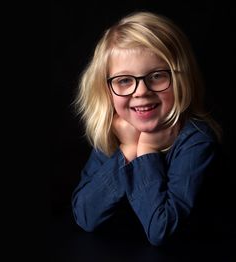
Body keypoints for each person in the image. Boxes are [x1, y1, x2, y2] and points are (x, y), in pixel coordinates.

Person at [71, 11, 222, 246]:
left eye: (157, 76)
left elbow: (161, 230)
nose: (141, 91)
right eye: (124, 80)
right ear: (107, 89)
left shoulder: (197, 140)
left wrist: (146, 149)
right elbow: (85, 216)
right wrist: (128, 149)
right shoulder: (117, 132)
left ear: (181, 78)